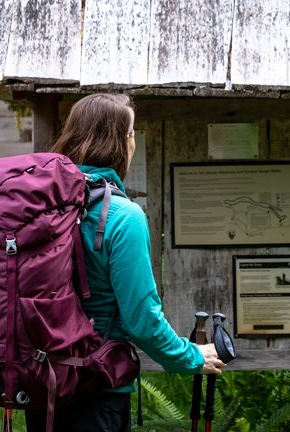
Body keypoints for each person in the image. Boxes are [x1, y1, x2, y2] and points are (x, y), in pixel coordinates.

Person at [25, 93, 226, 432]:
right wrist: (190, 357)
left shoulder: (42, 206)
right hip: (98, 384)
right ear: (121, 142)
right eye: (131, 133)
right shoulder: (123, 216)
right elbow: (140, 320)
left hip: (42, 380)